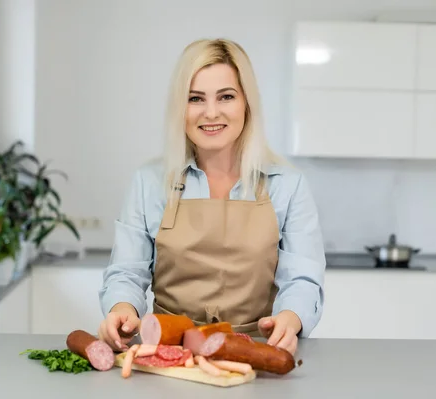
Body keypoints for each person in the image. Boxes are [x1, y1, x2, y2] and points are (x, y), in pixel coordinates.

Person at [98, 38, 325, 355]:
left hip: (256, 353)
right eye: (195, 98)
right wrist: (122, 306)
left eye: (226, 96)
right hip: (168, 353)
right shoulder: (149, 182)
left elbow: (302, 279)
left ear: (247, 103)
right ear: (181, 107)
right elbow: (127, 272)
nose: (211, 112)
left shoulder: (288, 185)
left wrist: (291, 317)